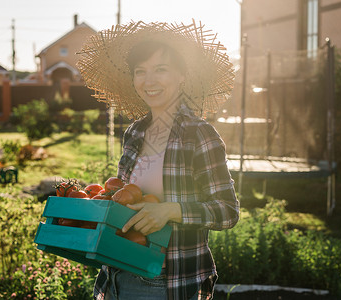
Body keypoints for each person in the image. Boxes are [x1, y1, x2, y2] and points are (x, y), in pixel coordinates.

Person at [78, 20, 240, 300]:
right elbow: (125, 198)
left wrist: (170, 211)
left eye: (160, 69)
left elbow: (227, 211)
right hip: (117, 273)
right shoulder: (135, 132)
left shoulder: (200, 135)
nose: (148, 80)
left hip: (167, 283)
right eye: (140, 71)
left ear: (182, 76)